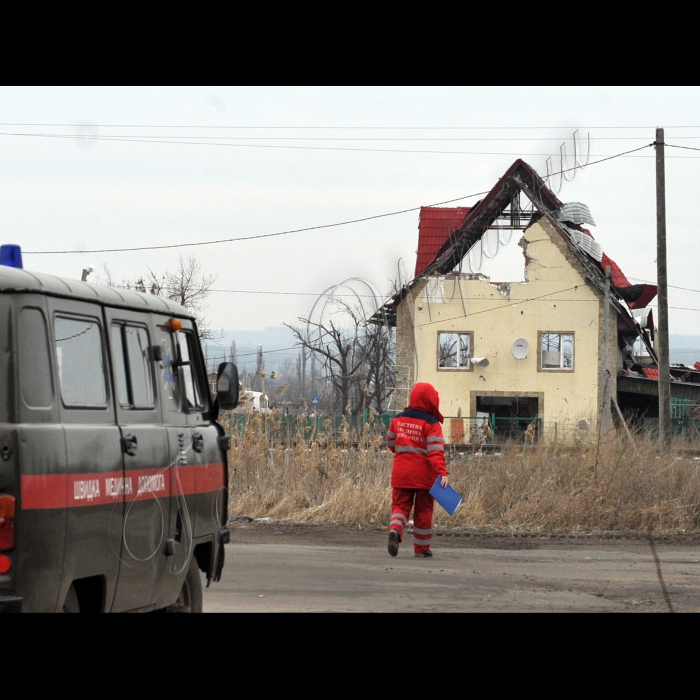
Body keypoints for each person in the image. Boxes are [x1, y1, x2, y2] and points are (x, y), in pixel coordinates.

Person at [386, 382, 448, 558]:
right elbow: (436, 452)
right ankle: (421, 549)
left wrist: (403, 453)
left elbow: (390, 442)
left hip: (401, 474)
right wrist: (442, 473)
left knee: (400, 506)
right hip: (424, 478)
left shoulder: (397, 419)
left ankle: (395, 530)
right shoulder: (431, 423)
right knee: (423, 511)